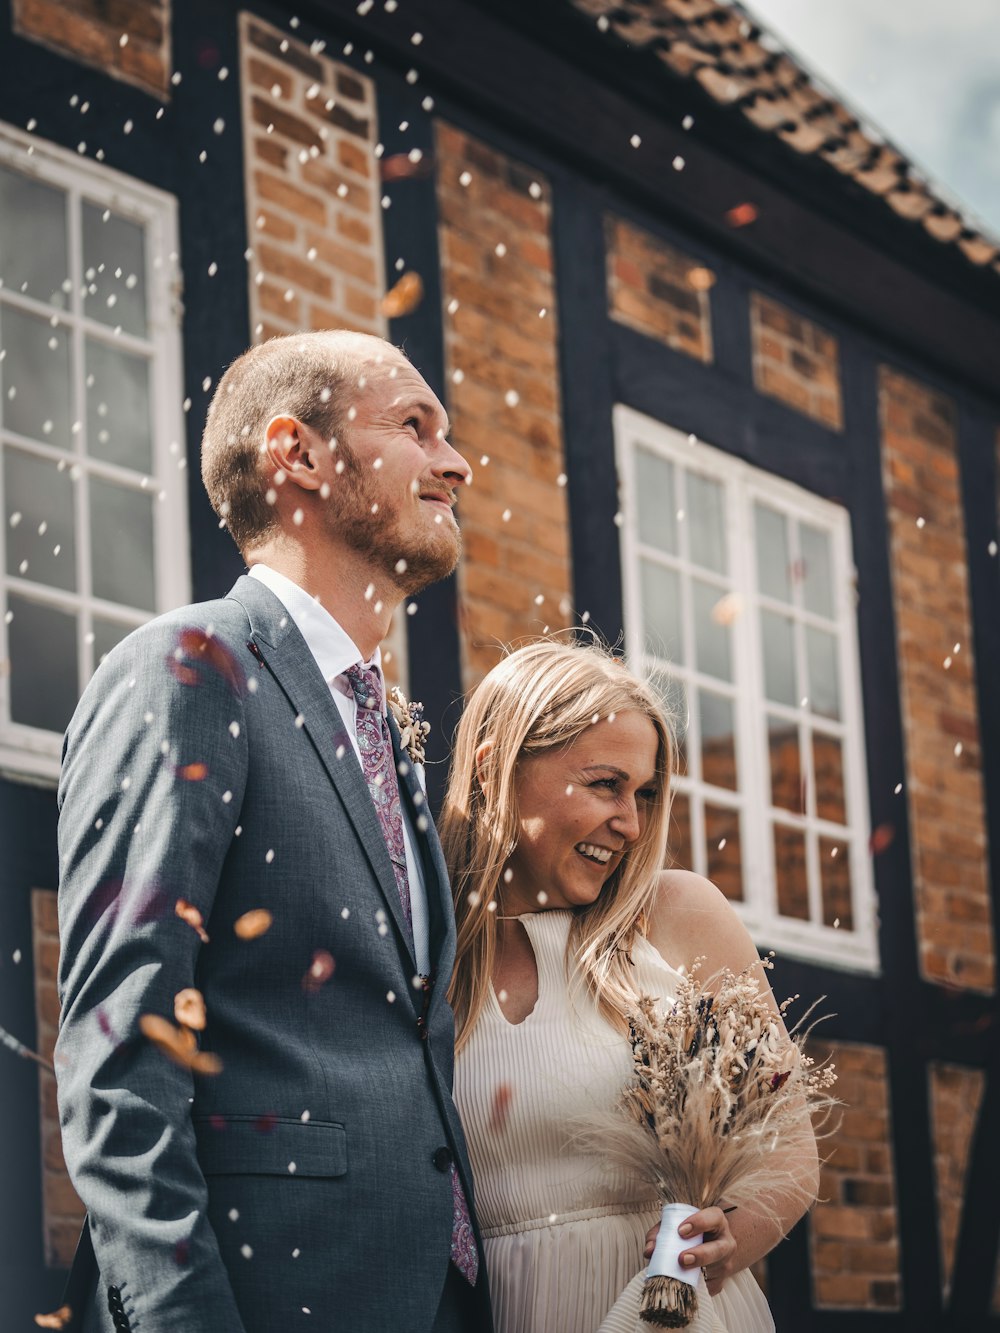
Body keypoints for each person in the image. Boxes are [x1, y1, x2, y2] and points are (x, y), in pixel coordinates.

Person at [56, 331, 493, 1333]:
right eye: (414, 427)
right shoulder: (190, 668)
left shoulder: (380, 723)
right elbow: (121, 1056)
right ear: (295, 453)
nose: (456, 462)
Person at [439, 638, 819, 1333]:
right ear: (495, 771)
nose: (632, 824)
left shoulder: (677, 916)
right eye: (606, 784)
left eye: (644, 793)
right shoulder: (426, 950)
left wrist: (728, 1235)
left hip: (668, 1311)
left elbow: (792, 1149)